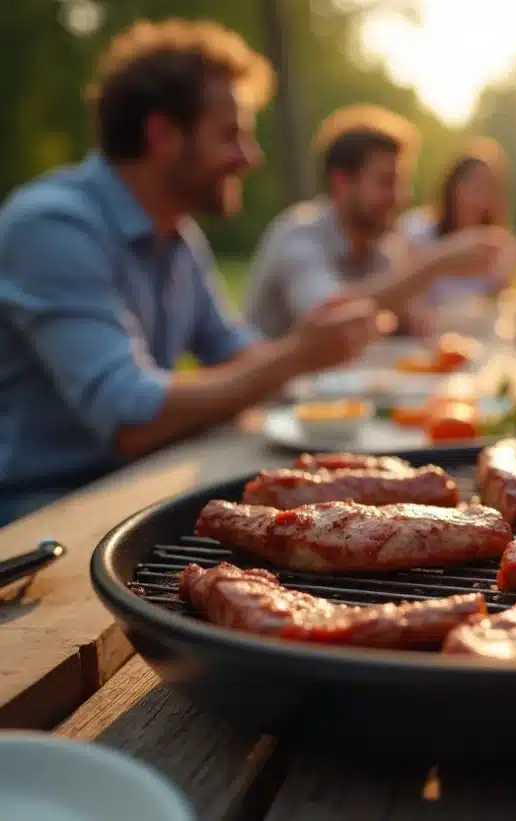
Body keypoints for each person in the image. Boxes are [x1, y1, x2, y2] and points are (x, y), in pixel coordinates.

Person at [0, 20, 381, 526]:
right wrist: (296, 355)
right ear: (162, 135)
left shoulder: (177, 235)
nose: (250, 156)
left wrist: (319, 354)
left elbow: (236, 354)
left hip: (138, 484)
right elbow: (128, 417)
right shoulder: (51, 224)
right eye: (232, 134)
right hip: (45, 512)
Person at [244, 106, 508, 339]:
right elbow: (330, 314)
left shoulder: (384, 247)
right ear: (341, 183)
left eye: (402, 183)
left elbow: (408, 319)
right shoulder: (299, 234)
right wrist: (435, 264)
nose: (401, 197)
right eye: (387, 182)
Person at [403, 138, 516, 310]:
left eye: (488, 189)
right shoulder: (416, 228)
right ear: (451, 188)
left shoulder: (496, 242)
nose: (479, 199)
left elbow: (497, 303)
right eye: (472, 187)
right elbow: (406, 291)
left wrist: (515, 258)